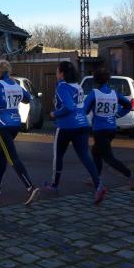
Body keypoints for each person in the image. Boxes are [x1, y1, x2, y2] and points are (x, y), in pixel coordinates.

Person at [43, 61, 107, 205]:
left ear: (62, 74)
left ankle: (54, 184)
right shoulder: (77, 86)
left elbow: (69, 107)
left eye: (57, 71)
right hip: (82, 124)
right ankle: (98, 185)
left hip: (66, 126)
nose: (56, 74)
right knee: (85, 156)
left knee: (58, 156)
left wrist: (54, 114)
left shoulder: (62, 87)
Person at [0, 60, 40, 205]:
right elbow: (27, 99)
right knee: (1, 153)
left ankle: (30, 187)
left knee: (12, 157)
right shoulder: (16, 85)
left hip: (2, 124)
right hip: (16, 123)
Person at [84, 68, 134, 190]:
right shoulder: (114, 94)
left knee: (108, 158)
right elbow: (128, 105)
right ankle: (95, 178)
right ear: (107, 80)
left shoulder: (94, 94)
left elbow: (85, 110)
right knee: (96, 151)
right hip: (112, 129)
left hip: (100, 129)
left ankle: (130, 175)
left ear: (95, 80)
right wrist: (117, 114)